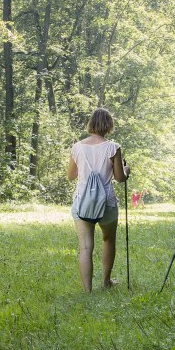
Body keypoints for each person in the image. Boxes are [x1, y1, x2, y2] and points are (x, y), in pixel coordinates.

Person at [67, 108, 130, 293]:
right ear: (109, 125)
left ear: (91, 124)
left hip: (83, 203)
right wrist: (126, 171)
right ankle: (106, 281)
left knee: (85, 247)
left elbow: (71, 176)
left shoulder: (77, 147)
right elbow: (119, 178)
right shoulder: (113, 147)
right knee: (108, 239)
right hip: (107, 204)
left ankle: (87, 291)